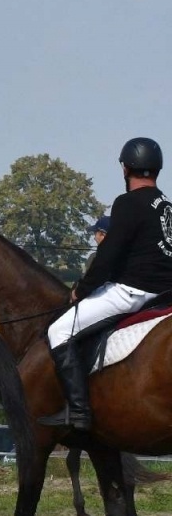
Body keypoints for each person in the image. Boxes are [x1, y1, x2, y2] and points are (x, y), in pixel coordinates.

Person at [41, 137, 172, 431]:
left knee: (59, 330)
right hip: (164, 295)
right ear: (157, 169)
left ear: (126, 169)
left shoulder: (127, 203)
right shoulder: (167, 206)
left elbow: (108, 256)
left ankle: (78, 412)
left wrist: (81, 290)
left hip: (131, 292)